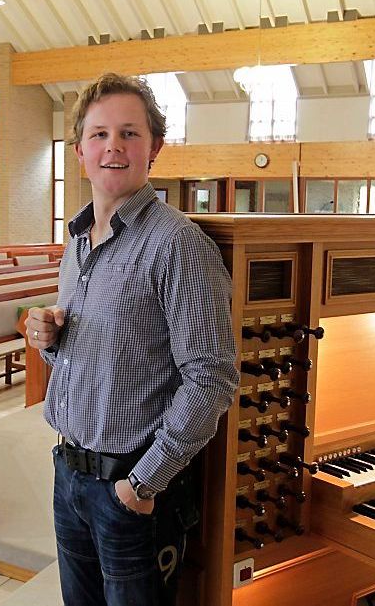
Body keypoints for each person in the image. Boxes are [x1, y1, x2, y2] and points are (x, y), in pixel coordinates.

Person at [25, 73, 239, 606]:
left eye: (129, 133)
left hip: (132, 488)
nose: (112, 147)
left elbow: (212, 379)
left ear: (155, 148)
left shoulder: (177, 244)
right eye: (98, 135)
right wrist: (49, 338)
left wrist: (142, 484)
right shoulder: (77, 242)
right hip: (69, 474)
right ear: (80, 152)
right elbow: (92, 351)